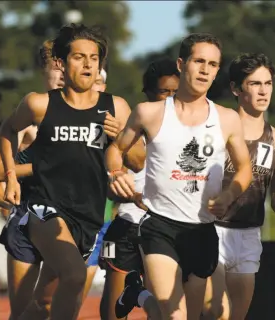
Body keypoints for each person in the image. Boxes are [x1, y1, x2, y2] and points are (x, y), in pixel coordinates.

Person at [0, 23, 145, 320]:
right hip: (43, 209)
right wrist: (13, 177)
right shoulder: (39, 104)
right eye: (79, 57)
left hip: (88, 216)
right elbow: (8, 129)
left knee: (43, 305)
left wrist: (121, 138)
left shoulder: (116, 107)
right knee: (76, 277)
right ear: (63, 63)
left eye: (94, 58)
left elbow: (139, 161)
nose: (88, 63)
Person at [105, 33, 252, 320]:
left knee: (182, 315)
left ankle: (138, 294)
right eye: (199, 61)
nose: (205, 69)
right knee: (175, 316)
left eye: (212, 64)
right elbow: (116, 148)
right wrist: (115, 172)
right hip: (159, 226)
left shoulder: (227, 119)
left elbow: (244, 168)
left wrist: (229, 194)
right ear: (182, 64)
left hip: (202, 231)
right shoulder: (149, 112)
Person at [100, 58, 180, 320]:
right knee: (112, 313)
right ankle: (134, 294)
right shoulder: (130, 126)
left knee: (165, 309)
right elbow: (124, 175)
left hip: (165, 228)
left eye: (175, 93)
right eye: (163, 91)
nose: (169, 99)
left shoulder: (190, 131)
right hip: (126, 226)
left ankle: (139, 295)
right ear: (148, 93)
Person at [202, 53, 275, 320]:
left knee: (237, 316)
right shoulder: (217, 128)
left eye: (268, 83)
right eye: (255, 83)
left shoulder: (274, 138)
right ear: (235, 88)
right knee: (216, 312)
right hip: (211, 230)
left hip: (248, 235)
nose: (263, 90)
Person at [0, 39, 64, 320]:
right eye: (55, 67)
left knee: (57, 311)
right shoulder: (29, 119)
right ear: (43, 69)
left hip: (72, 225)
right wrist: (30, 172)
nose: (63, 74)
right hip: (28, 223)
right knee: (23, 313)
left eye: (67, 66)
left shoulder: (91, 118)